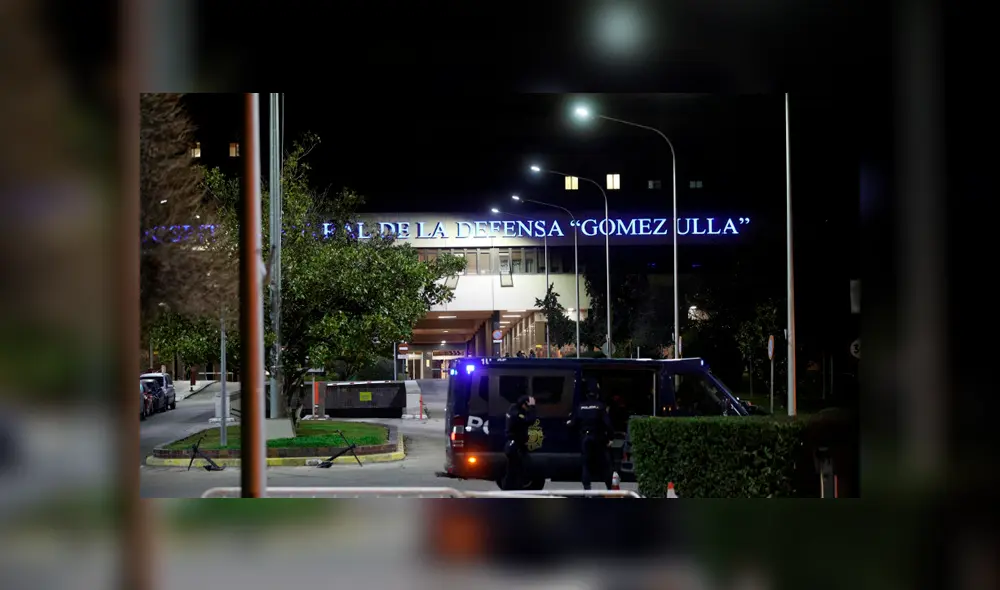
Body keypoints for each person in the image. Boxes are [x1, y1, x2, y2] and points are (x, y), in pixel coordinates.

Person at [567, 379, 615, 490]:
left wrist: (567, 422)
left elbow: (573, 423)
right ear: (597, 393)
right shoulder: (600, 406)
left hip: (585, 438)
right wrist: (611, 438)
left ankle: (587, 488)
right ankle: (609, 487)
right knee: (605, 464)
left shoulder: (581, 407)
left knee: (586, 464)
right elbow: (607, 423)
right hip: (598, 438)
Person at [502, 394, 535, 490]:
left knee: (516, 469)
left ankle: (514, 488)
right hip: (514, 446)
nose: (527, 409)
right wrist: (533, 408)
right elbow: (530, 420)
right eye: (527, 406)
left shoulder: (513, 409)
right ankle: (509, 489)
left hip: (516, 444)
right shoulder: (516, 413)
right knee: (514, 469)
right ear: (523, 404)